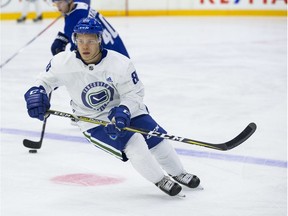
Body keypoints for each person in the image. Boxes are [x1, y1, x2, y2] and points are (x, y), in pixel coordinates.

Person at [24, 18, 200, 196]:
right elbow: (43, 81)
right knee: (135, 143)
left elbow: (134, 93)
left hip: (127, 110)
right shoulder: (62, 62)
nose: (85, 46)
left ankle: (179, 173)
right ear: (75, 40)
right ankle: (160, 180)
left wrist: (124, 110)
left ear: (99, 40)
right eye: (80, 40)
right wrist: (36, 94)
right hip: (94, 121)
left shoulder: (120, 63)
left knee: (157, 139)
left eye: (91, 40)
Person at [50, 0, 129, 58]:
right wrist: (66, 35)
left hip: (112, 62)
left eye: (60, 3)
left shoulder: (74, 19)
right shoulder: (81, 5)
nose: (58, 7)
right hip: (119, 50)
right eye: (56, 4)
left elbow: (78, 54)